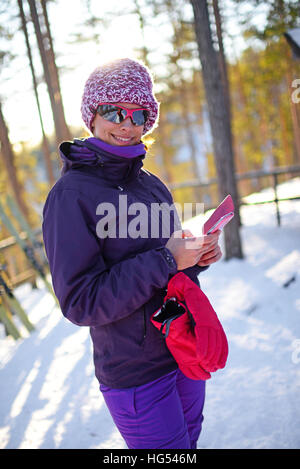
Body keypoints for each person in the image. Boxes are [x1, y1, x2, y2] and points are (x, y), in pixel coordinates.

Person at [42, 58, 222, 449]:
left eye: (138, 113)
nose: (126, 123)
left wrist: (197, 257)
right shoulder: (70, 196)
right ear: (92, 116)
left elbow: (170, 266)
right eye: (113, 111)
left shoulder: (151, 185)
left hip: (183, 350)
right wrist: (167, 259)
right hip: (136, 373)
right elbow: (80, 302)